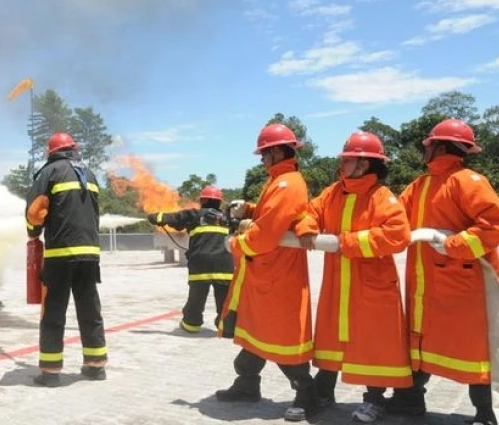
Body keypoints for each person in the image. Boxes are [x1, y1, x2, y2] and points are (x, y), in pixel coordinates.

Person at [389, 118, 499, 425]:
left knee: (474, 349)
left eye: (428, 145)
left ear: (440, 147)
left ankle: (486, 413)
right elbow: (395, 217)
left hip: (465, 286)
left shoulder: (469, 181)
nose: (424, 150)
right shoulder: (421, 185)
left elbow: (495, 225)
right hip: (426, 286)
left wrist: (453, 245)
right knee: (420, 342)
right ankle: (409, 401)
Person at [296, 131, 412, 423]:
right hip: (338, 284)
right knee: (331, 339)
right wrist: (307, 226)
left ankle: (374, 400)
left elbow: (397, 235)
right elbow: (310, 212)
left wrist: (345, 243)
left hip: (372, 286)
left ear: (364, 164)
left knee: (374, 345)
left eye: (347, 160)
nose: (342, 164)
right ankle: (324, 393)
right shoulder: (333, 192)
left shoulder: (382, 197)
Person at [215, 123, 318, 422]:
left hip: (277, 275)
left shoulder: (287, 183)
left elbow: (267, 233)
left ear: (276, 152)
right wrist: (249, 210)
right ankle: (247, 383)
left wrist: (235, 244)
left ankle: (307, 393)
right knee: (256, 331)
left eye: (264, 153)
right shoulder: (279, 181)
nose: (261, 159)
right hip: (267, 273)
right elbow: (273, 216)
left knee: (281, 338)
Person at [25, 131, 107, 388]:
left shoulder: (49, 172)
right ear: (73, 149)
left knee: (53, 313)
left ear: (51, 152)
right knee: (90, 309)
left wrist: (33, 233)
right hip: (90, 255)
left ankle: (50, 372)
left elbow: (35, 211)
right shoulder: (89, 174)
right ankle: (96, 366)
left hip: (60, 255)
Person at [147, 185, 234, 333]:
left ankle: (191, 324)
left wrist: (155, 217)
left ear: (203, 200)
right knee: (225, 298)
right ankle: (226, 327)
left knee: (197, 296)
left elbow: (171, 218)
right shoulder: (227, 219)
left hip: (200, 263)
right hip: (224, 264)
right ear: (219, 202)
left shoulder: (194, 214)